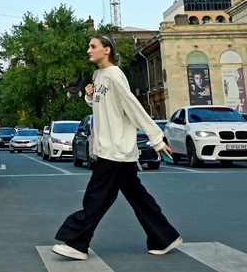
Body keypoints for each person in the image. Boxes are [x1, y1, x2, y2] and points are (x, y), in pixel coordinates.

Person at [52, 35, 181, 261]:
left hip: (117, 149)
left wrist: (157, 139)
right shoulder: (98, 75)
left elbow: (132, 107)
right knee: (137, 197)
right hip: (108, 148)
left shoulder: (114, 76)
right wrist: (90, 97)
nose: (88, 50)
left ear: (107, 50)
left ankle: (77, 242)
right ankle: (164, 237)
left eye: (93, 46)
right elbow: (104, 108)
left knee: (95, 197)